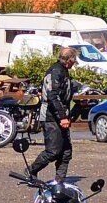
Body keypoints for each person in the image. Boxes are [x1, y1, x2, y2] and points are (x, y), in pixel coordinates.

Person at [29, 45, 77, 179]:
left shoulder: (63, 71)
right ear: (69, 60)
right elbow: (53, 96)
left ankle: (59, 181)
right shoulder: (56, 71)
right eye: (74, 60)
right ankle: (31, 171)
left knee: (66, 152)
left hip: (60, 115)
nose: (75, 63)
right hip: (50, 117)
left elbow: (64, 93)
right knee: (53, 151)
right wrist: (62, 117)